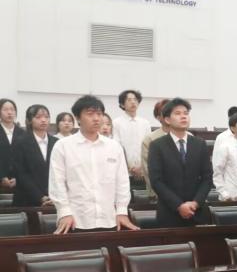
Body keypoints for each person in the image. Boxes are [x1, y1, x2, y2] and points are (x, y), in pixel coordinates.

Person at [49, 95, 138, 234]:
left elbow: (122, 182)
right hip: (75, 221)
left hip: (110, 220)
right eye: (90, 114)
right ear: (78, 118)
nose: (96, 118)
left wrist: (121, 211)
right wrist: (64, 212)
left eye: (99, 114)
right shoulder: (63, 146)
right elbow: (57, 182)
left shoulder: (114, 147)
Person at [148, 98, 214, 227]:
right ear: (167, 120)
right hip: (169, 213)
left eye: (186, 113)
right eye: (178, 113)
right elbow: (156, 181)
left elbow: (207, 178)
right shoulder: (157, 145)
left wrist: (195, 203)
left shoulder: (199, 144)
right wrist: (179, 206)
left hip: (197, 212)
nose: (183, 116)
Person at [11, 104, 57, 207]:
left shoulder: (56, 142)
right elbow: (21, 174)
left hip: (53, 198)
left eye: (46, 117)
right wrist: (40, 197)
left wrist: (54, 195)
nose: (43, 120)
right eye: (38, 117)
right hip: (27, 199)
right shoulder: (20, 142)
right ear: (29, 120)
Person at [112, 89, 151, 179]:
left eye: (135, 99)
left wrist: (141, 167)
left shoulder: (145, 123)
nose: (133, 102)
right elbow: (117, 146)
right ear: (122, 104)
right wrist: (128, 167)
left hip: (143, 170)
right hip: (123, 169)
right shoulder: (116, 123)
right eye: (129, 100)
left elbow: (148, 146)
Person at [212, 112, 237, 201]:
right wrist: (224, 194)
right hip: (231, 196)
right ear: (232, 128)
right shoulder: (226, 146)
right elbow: (217, 172)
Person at [140, 99, 170, 195]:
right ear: (158, 117)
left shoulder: (189, 137)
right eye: (165, 112)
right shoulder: (150, 139)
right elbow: (148, 170)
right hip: (159, 195)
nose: (170, 115)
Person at [0, 98, 26, 190]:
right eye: (5, 109)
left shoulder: (23, 133)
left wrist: (18, 178)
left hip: (19, 181)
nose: (9, 112)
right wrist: (1, 177)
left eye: (12, 109)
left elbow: (25, 160)